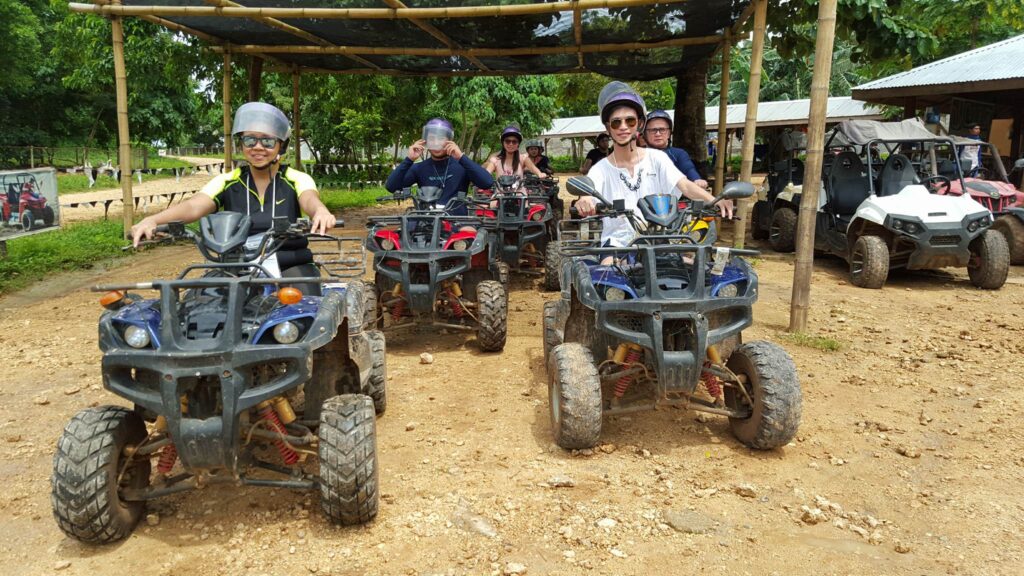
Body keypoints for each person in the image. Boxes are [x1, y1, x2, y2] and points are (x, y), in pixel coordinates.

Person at [131, 102, 334, 253]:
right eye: (250, 140)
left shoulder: (296, 178)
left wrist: (321, 212)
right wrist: (152, 220)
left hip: (291, 264)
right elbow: (194, 206)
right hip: (236, 266)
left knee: (306, 307)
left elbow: (310, 199)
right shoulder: (227, 181)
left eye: (268, 141)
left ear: (282, 146)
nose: (258, 147)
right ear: (242, 144)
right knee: (200, 303)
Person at [575, 81, 732, 251]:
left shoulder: (657, 158)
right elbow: (588, 192)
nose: (623, 127)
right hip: (618, 244)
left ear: (640, 124)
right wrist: (584, 201)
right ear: (608, 128)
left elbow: (684, 185)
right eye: (616, 123)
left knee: (692, 270)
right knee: (604, 275)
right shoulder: (601, 169)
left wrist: (715, 200)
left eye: (630, 121)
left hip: (660, 239)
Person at [385, 118, 494, 215]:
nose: (436, 143)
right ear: (425, 141)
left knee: (470, 234)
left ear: (450, 141)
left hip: (457, 223)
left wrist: (461, 157)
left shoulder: (462, 166)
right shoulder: (419, 168)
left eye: (441, 138)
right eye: (432, 139)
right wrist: (409, 160)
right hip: (426, 223)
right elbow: (391, 186)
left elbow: (487, 182)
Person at [643, 109, 708, 189]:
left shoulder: (678, 154)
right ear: (645, 134)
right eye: (653, 130)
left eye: (662, 130)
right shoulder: (638, 155)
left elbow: (688, 169)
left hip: (672, 199)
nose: (658, 134)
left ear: (669, 133)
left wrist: (697, 180)